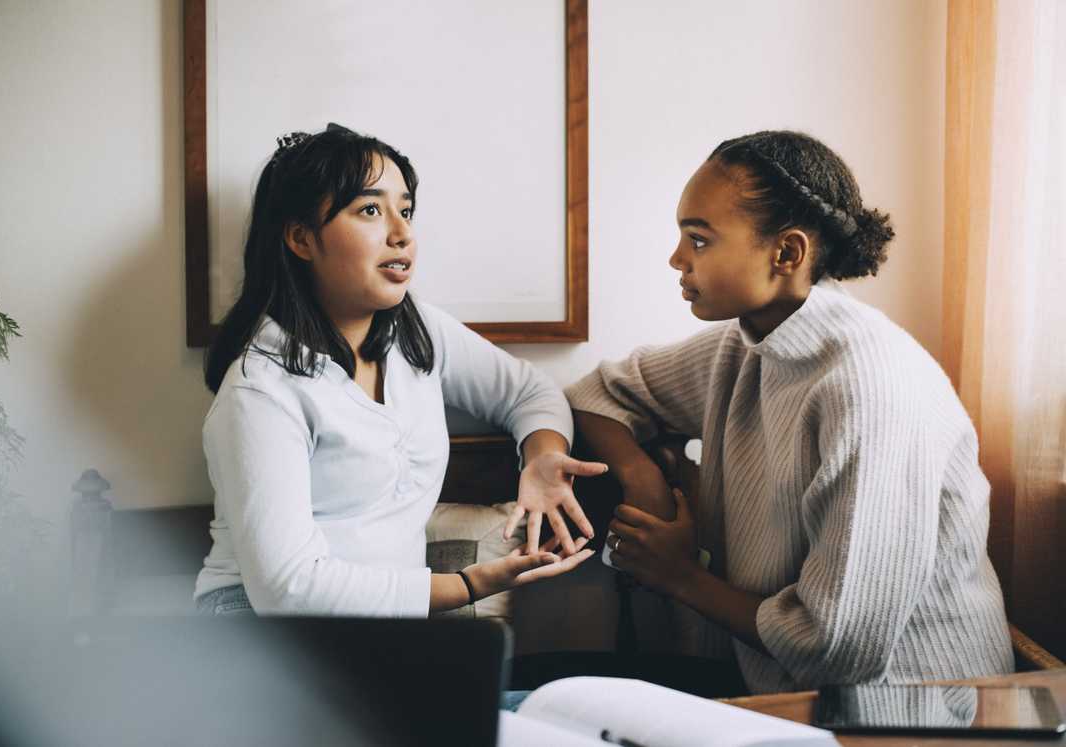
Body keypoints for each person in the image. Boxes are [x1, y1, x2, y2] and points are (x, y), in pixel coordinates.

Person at [566, 130, 1014, 694]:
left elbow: (836, 650)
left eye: (698, 240)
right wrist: (640, 477)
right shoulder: (745, 345)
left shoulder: (869, 387)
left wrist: (678, 575)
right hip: (786, 698)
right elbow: (599, 391)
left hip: (909, 714)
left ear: (787, 253)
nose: (677, 259)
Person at [194, 124, 605, 617]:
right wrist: (468, 586)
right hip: (258, 636)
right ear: (301, 238)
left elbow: (528, 392)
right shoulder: (260, 388)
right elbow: (287, 590)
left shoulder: (417, 332)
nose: (402, 233)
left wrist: (541, 459)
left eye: (405, 210)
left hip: (378, 632)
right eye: (370, 210)